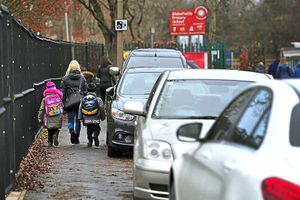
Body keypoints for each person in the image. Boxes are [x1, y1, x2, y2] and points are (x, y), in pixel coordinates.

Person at [60, 60, 86, 144]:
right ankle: (77, 137)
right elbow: (85, 91)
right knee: (78, 120)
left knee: (70, 119)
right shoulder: (82, 78)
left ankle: (71, 130)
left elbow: (62, 92)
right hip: (79, 101)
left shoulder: (65, 79)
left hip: (69, 102)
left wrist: (63, 101)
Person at [78, 83, 105, 147]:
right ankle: (95, 136)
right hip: (96, 117)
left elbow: (80, 108)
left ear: (87, 90)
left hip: (86, 118)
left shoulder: (84, 99)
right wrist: (102, 117)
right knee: (97, 128)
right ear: (95, 90)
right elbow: (101, 108)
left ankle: (90, 142)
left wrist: (80, 117)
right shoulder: (98, 99)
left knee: (89, 129)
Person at [38, 81, 63, 147]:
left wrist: (40, 118)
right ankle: (55, 135)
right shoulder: (58, 97)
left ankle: (50, 142)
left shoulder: (45, 99)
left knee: (49, 129)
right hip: (57, 115)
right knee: (56, 128)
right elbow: (62, 107)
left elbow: (42, 109)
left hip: (49, 116)